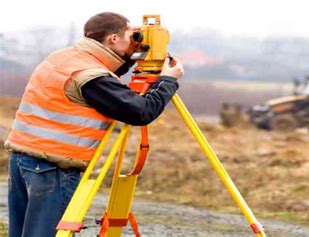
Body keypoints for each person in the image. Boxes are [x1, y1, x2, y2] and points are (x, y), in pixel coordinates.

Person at [4, 12, 184, 237]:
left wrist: (132, 55)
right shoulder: (91, 76)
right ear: (113, 39)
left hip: (23, 160)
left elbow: (107, 74)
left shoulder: (65, 57)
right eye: (132, 36)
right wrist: (168, 80)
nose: (136, 40)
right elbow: (141, 112)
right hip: (53, 169)